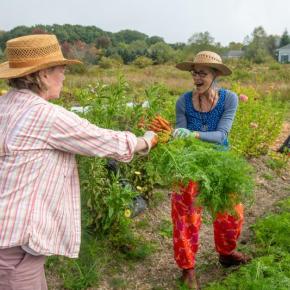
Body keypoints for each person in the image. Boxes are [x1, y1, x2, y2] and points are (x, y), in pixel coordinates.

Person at [0, 34, 157, 290]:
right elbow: (103, 140)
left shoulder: (4, 104)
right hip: (14, 247)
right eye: (61, 69)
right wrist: (146, 141)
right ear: (43, 74)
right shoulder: (46, 116)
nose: (64, 75)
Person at [151, 51, 250, 289]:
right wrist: (175, 136)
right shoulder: (183, 102)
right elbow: (182, 138)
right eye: (194, 72)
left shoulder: (229, 99)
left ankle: (226, 254)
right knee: (185, 218)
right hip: (190, 164)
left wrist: (193, 134)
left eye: (202, 73)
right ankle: (187, 269)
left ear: (215, 75)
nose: (196, 77)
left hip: (221, 165)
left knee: (231, 215)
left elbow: (221, 136)